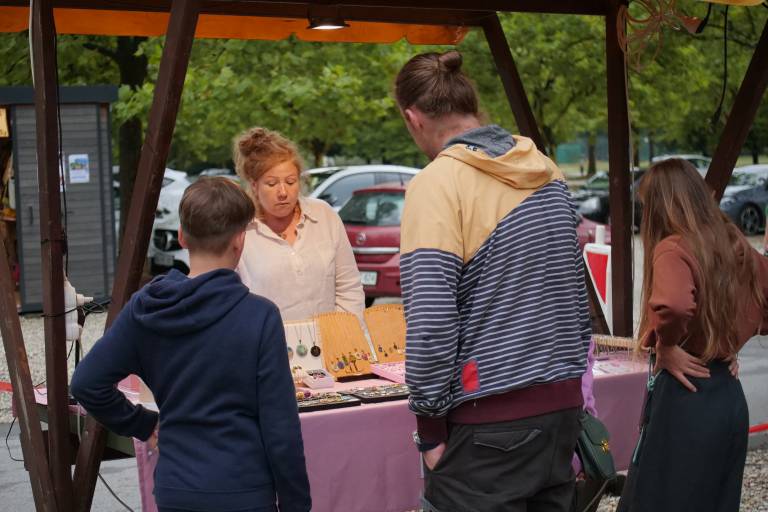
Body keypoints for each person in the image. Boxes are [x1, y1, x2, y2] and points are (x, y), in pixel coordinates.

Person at [395, 50, 591, 511]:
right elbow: (573, 294)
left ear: (413, 118)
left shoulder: (438, 183)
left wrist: (430, 429)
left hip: (488, 421)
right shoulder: (548, 172)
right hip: (561, 410)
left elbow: (431, 322)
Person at [70, 177, 311, 512]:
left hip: (177, 487)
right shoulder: (260, 316)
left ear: (182, 236)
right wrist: (296, 504)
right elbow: (280, 429)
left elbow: (86, 383)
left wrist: (143, 424)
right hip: (244, 488)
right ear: (240, 240)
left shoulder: (147, 308)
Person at [618, 159, 768, 512]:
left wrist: (667, 344)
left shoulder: (673, 247)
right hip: (728, 398)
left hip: (687, 398)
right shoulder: (732, 240)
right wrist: (729, 342)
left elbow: (673, 305)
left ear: (662, 206)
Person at [233, 127, 364, 322]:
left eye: (290, 181)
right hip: (269, 341)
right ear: (254, 185)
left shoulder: (324, 215)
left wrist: (345, 333)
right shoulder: (241, 230)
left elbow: (349, 287)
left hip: (330, 338)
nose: (283, 192)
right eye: (271, 184)